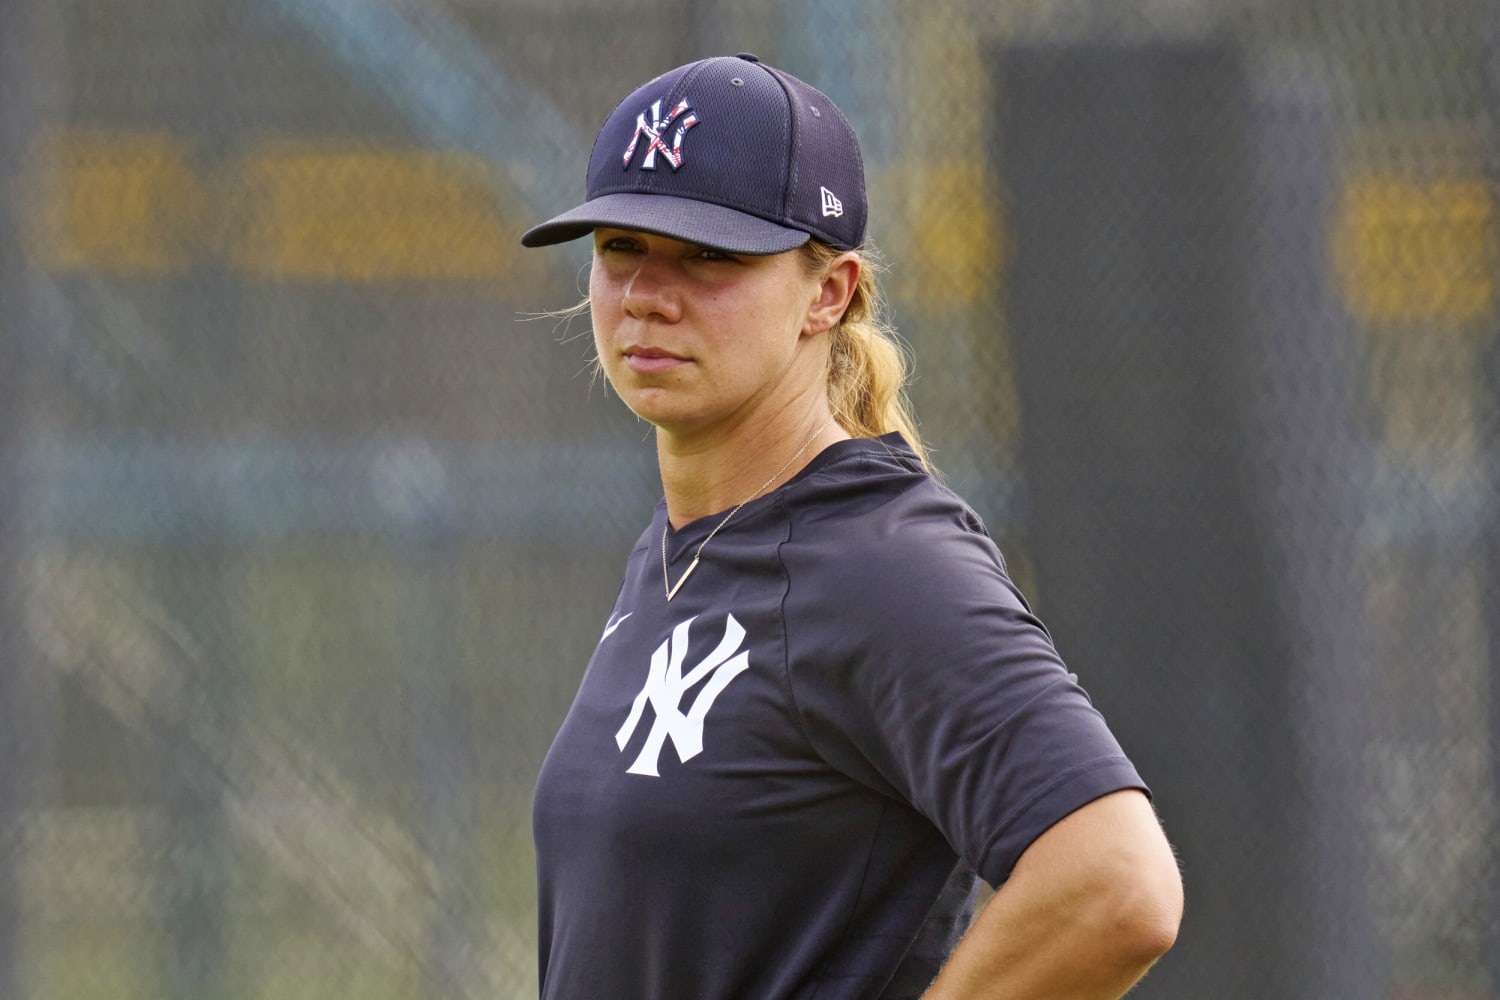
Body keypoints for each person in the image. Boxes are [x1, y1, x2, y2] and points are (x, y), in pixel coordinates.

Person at [520, 53, 1182, 1000]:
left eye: (711, 255)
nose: (647, 294)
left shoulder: (880, 563)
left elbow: (1116, 883)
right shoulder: (685, 546)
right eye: (620, 246)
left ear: (828, 292)